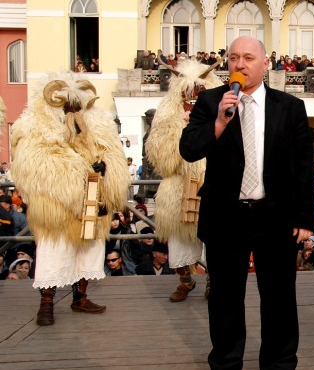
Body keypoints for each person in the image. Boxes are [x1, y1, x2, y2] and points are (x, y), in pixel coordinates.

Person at [179, 35, 314, 370]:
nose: (240, 64)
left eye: (249, 58)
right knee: (225, 298)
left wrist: (304, 218)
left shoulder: (290, 107)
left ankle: (280, 362)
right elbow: (189, 149)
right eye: (234, 57)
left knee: (280, 297)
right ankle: (226, 362)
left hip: (276, 216)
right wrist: (220, 122)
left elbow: (302, 168)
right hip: (226, 216)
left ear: (265, 63)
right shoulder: (211, 102)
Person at [10, 75, 129, 326]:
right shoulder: (38, 130)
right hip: (58, 207)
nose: (73, 112)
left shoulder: (96, 128)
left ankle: (80, 297)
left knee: (88, 250)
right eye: (68, 107)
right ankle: (46, 303)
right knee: (54, 252)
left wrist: (104, 169)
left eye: (77, 106)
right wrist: (81, 172)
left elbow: (111, 154)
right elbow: (38, 165)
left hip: (93, 202)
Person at [147, 58, 223, 302]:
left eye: (199, 90)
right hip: (178, 184)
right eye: (189, 91)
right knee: (179, 236)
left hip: (212, 182)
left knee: (214, 236)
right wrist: (182, 131)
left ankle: (214, 280)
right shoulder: (167, 114)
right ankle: (185, 279)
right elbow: (160, 155)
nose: (193, 94)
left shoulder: (221, 110)